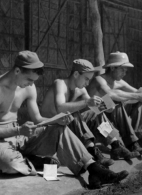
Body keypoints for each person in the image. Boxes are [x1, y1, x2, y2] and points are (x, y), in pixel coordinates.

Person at [0, 50, 128, 189]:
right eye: (29, 80)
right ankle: (33, 160)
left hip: (21, 136)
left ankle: (94, 169)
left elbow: (37, 119)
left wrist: (56, 121)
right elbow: (61, 106)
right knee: (8, 163)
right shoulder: (60, 83)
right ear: (17, 71)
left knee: (59, 127)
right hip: (3, 139)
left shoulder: (30, 87)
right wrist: (19, 129)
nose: (31, 85)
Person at [41, 59, 139, 162]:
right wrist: (87, 102)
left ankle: (115, 145)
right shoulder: (60, 84)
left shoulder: (81, 89)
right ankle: (93, 152)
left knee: (95, 112)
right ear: (76, 74)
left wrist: (108, 106)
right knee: (74, 113)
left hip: (68, 126)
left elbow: (93, 108)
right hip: (51, 129)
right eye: (86, 79)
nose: (87, 83)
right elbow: (60, 107)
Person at [87, 51, 142, 155]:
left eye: (126, 70)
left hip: (111, 114)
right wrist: (137, 96)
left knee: (137, 103)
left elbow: (137, 92)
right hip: (95, 117)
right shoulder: (99, 80)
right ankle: (131, 143)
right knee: (115, 102)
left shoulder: (119, 82)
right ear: (112, 68)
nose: (125, 73)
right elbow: (110, 95)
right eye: (122, 70)